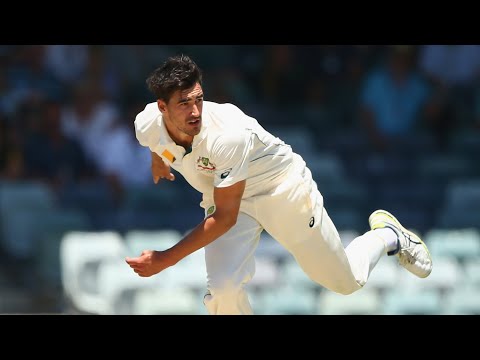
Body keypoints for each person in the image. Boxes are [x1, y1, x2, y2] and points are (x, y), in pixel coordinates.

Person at [125, 54, 433, 315]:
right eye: (183, 104)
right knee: (223, 290)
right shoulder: (147, 124)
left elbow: (225, 217)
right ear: (162, 107)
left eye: (199, 99)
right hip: (228, 197)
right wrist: (159, 159)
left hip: (281, 190)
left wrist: (166, 258)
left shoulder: (226, 134)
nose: (195, 112)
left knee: (345, 282)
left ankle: (387, 236)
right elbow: (155, 140)